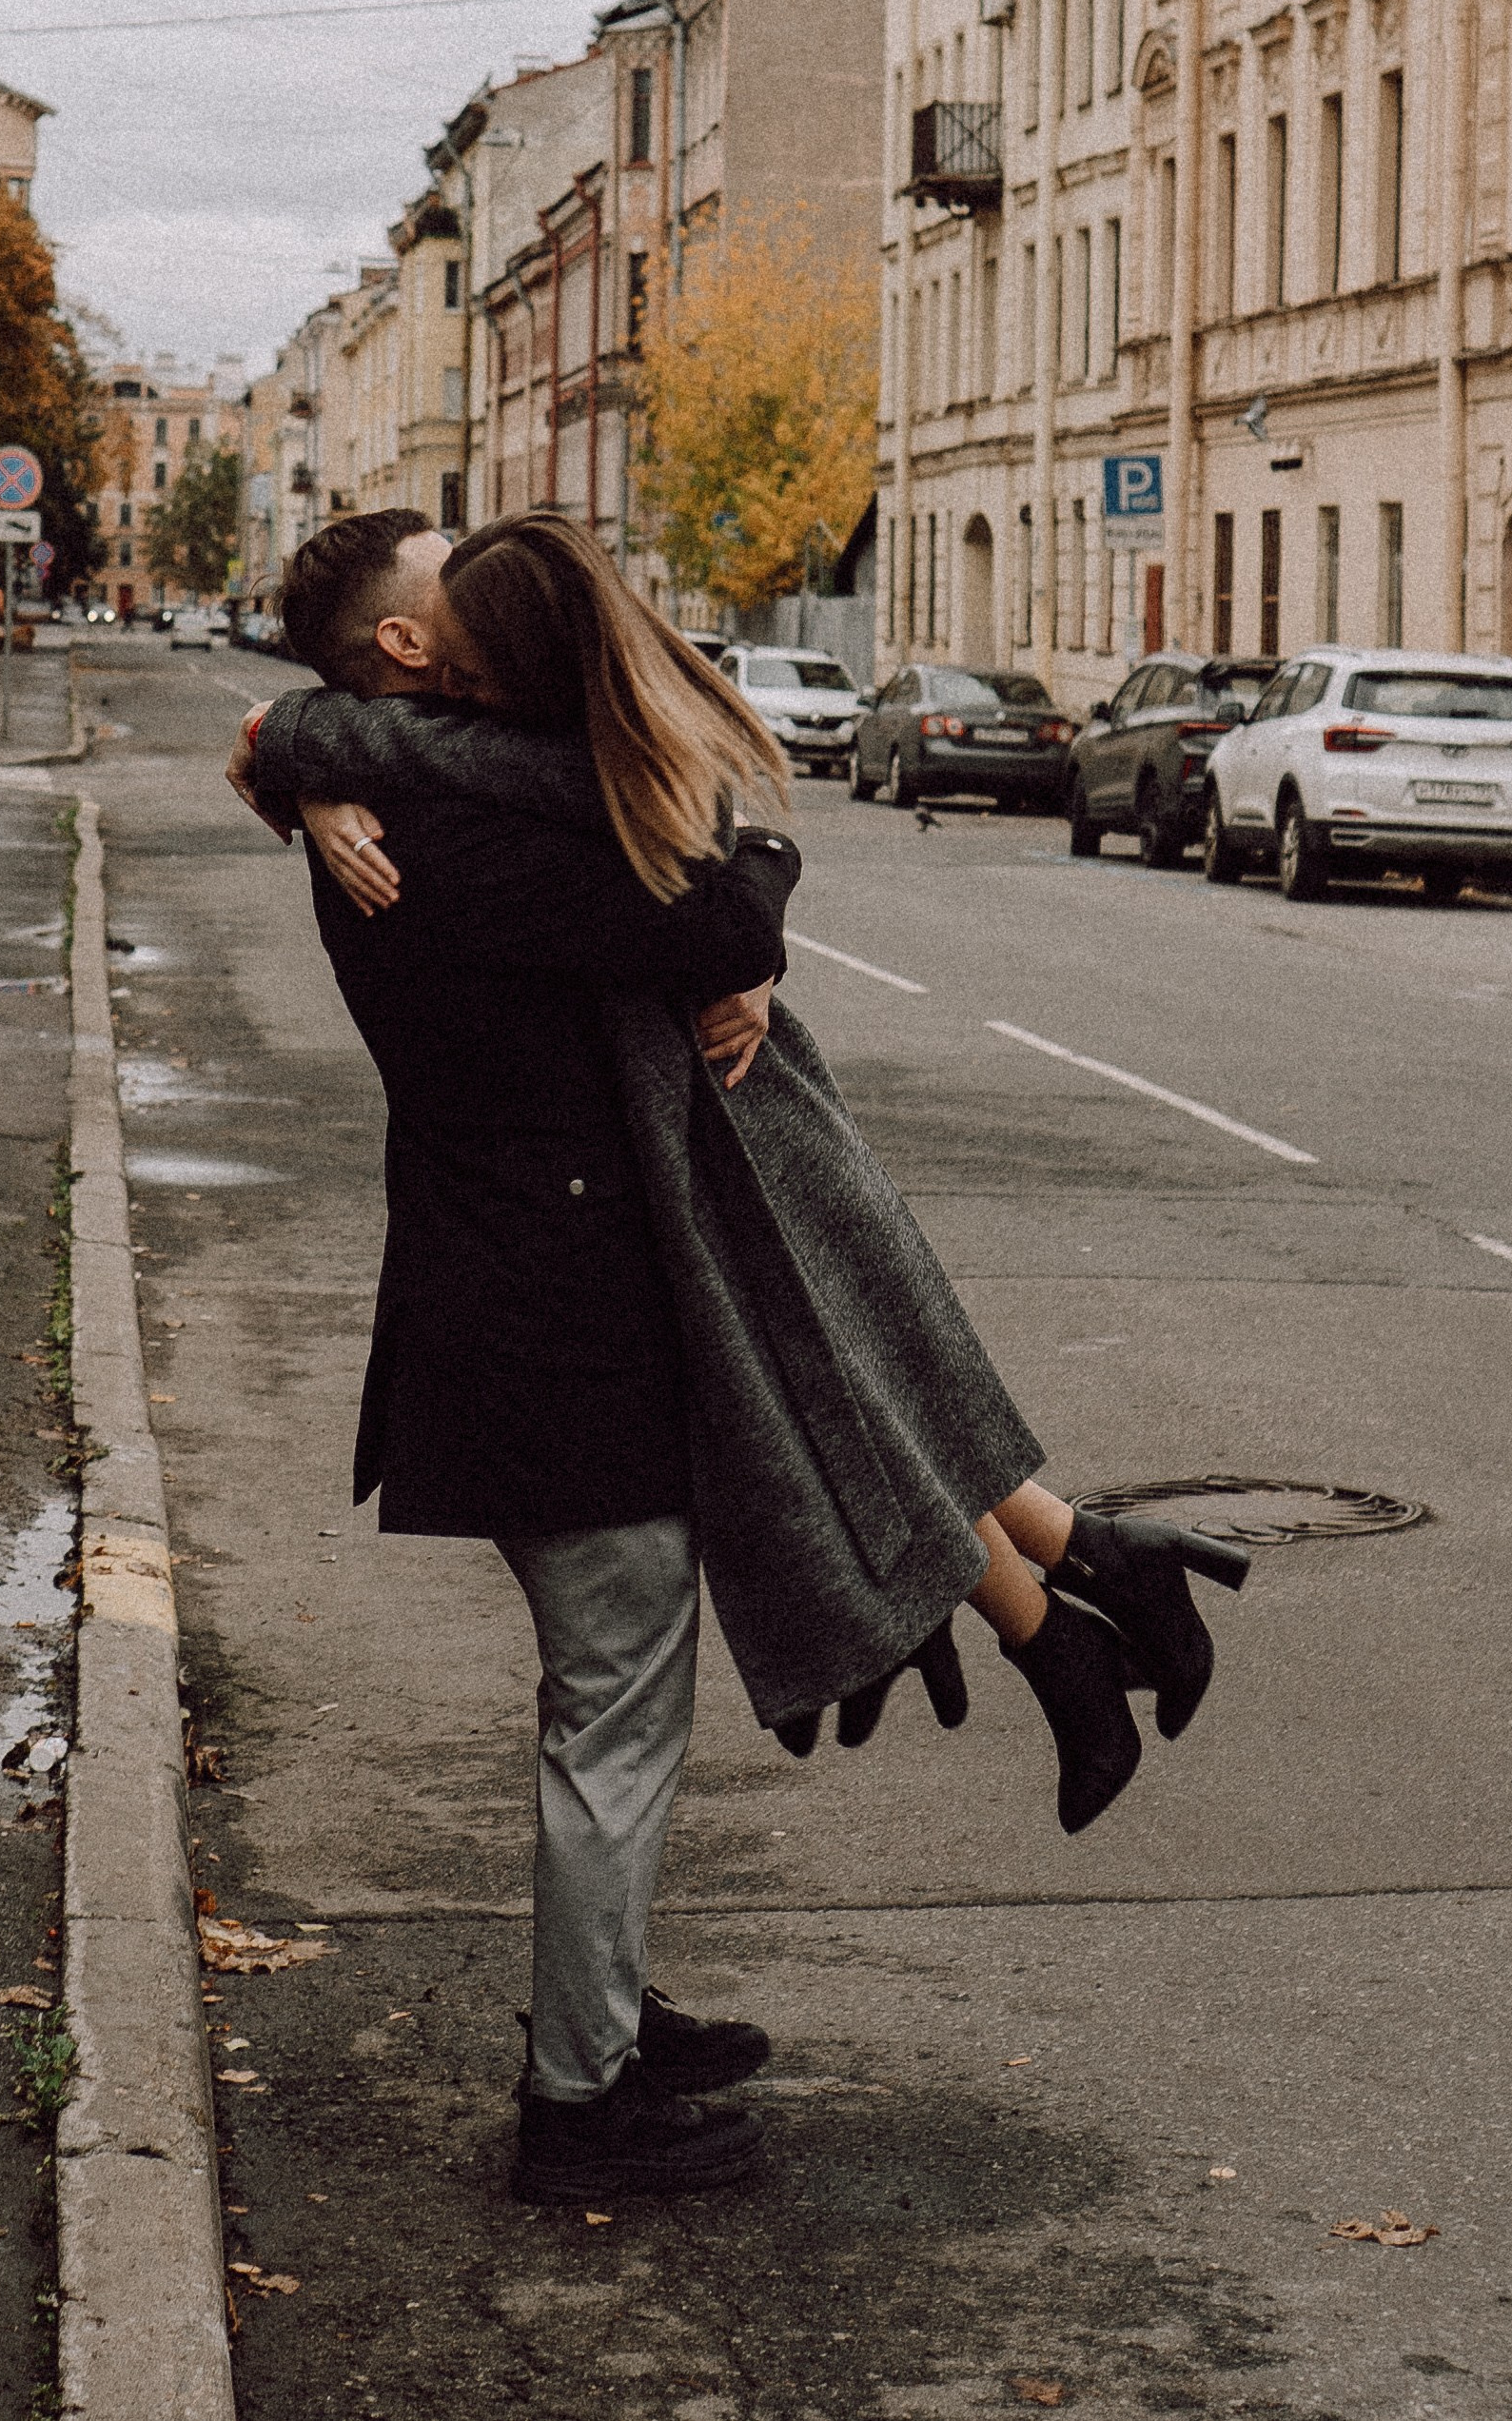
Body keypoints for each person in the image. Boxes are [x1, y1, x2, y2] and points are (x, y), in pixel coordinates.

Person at [231, 510, 1247, 2194]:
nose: (464, 557)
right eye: (435, 563)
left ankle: (605, 2011)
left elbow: (688, 857)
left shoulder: (432, 786)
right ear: (407, 647)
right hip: (541, 1328)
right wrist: (294, 752)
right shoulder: (446, 835)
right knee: (614, 1706)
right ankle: (578, 2106)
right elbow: (709, 906)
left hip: (562, 1297)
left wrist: (288, 746)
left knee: (627, 1681)